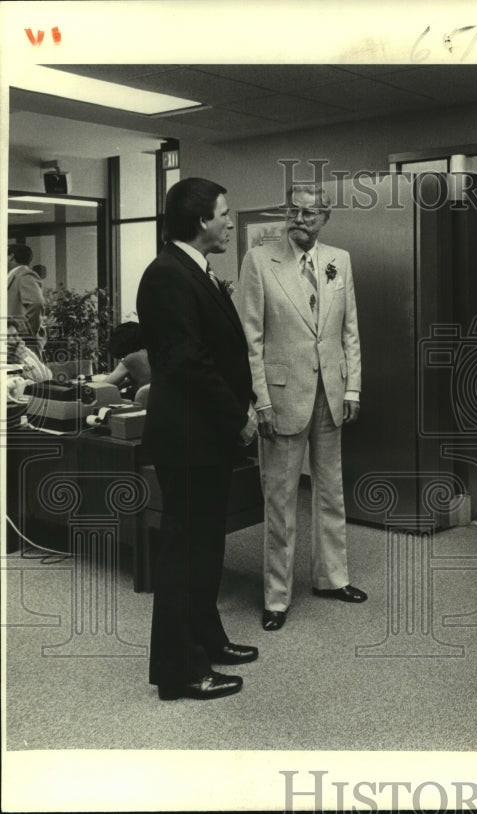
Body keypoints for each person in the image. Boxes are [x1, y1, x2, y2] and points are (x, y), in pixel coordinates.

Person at [136, 177, 259, 701]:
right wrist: (238, 416)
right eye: (225, 214)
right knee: (184, 553)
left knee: (206, 546)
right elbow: (188, 363)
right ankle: (179, 670)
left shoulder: (196, 270)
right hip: (189, 436)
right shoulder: (167, 275)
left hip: (204, 437)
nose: (231, 222)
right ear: (200, 220)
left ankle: (206, 639)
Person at [237, 182, 363, 632]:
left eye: (311, 214)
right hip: (282, 396)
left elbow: (349, 332)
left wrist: (353, 390)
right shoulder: (259, 260)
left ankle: (333, 577)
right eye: (294, 211)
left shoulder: (339, 260)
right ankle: (276, 596)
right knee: (281, 499)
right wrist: (261, 400)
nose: (301, 220)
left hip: (331, 392)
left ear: (325, 217)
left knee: (331, 490)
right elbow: (248, 340)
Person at [93, 321, 150, 400]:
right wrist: (124, 383)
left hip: (146, 404)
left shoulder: (131, 359)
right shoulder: (149, 353)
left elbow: (104, 386)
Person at [7, 245, 45, 352]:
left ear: (11, 256)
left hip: (22, 347)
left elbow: (36, 303)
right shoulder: (13, 277)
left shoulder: (24, 275)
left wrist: (23, 335)